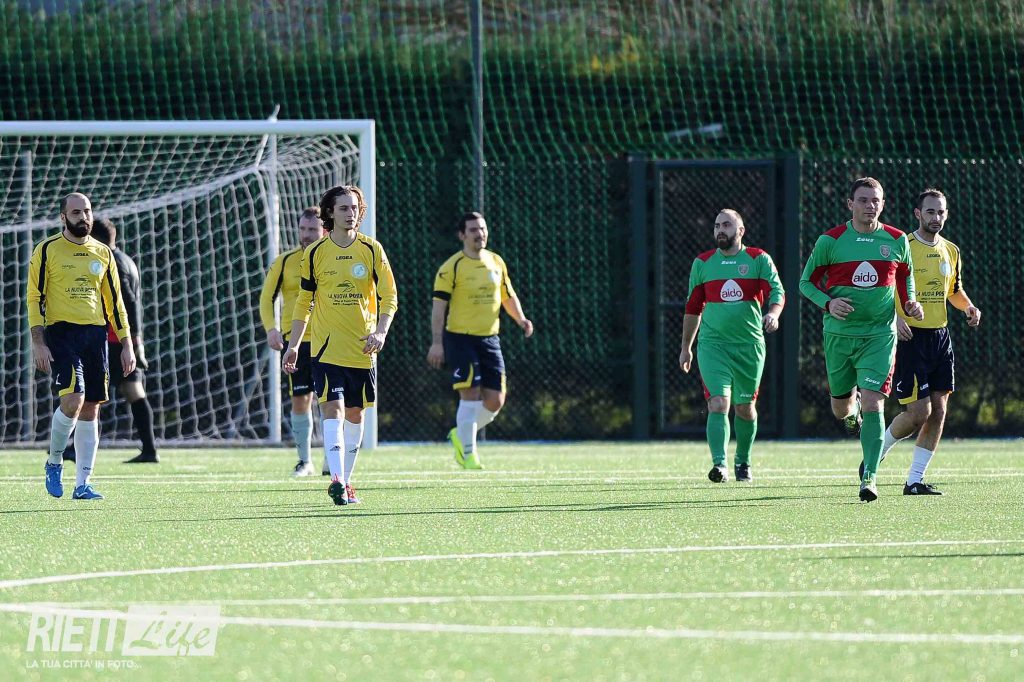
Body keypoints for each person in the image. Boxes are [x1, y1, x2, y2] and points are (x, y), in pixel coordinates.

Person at [799, 177, 924, 502]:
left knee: (873, 402)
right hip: (839, 336)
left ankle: (869, 477)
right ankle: (850, 414)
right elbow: (805, 283)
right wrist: (828, 303)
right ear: (850, 204)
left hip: (879, 336)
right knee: (841, 408)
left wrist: (910, 302)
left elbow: (905, 278)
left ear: (883, 204)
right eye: (864, 200)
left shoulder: (896, 239)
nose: (870, 205)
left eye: (876, 200)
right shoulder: (830, 241)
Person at [282, 185, 397, 506]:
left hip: (362, 347)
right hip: (325, 348)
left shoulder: (372, 249)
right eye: (344, 208)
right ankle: (336, 480)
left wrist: (381, 332)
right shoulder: (315, 253)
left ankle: (345, 481)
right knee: (332, 409)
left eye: (355, 208)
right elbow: (304, 301)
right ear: (330, 213)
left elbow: (390, 296)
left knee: (356, 415)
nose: (351, 213)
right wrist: (293, 345)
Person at [868, 188, 981, 495]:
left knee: (939, 412)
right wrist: (896, 318)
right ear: (918, 214)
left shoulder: (951, 250)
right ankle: (874, 456)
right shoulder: (902, 245)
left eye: (941, 212)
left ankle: (914, 481)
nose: (936, 217)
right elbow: (883, 289)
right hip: (911, 338)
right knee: (919, 413)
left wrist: (969, 307)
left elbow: (953, 291)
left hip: (940, 338)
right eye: (930, 211)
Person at [27, 193, 136, 500]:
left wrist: (126, 343)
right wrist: (38, 342)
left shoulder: (103, 252)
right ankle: (54, 461)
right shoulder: (46, 250)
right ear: (63, 217)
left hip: (96, 335)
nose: (83, 217)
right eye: (76, 212)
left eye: (87, 211)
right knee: (73, 399)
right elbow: (34, 298)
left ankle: (83, 484)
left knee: (91, 407)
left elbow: (115, 303)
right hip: (61, 333)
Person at [678, 209, 785, 483]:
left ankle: (743, 461)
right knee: (718, 403)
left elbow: (777, 291)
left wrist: (773, 314)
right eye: (716, 226)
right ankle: (720, 464)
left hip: (750, 346)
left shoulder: (758, 259)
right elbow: (693, 308)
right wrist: (686, 347)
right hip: (713, 346)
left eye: (726, 225)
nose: (720, 230)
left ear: (741, 231)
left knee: (745, 408)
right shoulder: (703, 263)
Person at [426, 212, 534, 470]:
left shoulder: (496, 261)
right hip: (460, 339)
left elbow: (507, 295)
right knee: (470, 393)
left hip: (490, 338)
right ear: (462, 235)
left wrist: (521, 319)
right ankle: (468, 455)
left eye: (482, 229)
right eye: (473, 230)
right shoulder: (451, 267)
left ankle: (461, 433)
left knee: (496, 401)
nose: (480, 234)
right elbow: (439, 308)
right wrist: (437, 342)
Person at [260, 207, 328, 476]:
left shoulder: (334, 260)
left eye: (312, 229)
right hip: (296, 343)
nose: (306, 234)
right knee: (301, 399)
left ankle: (331, 460)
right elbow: (267, 298)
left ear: (325, 230)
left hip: (329, 339)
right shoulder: (285, 262)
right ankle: (305, 461)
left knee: (331, 401)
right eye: (302, 229)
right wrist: (271, 329)